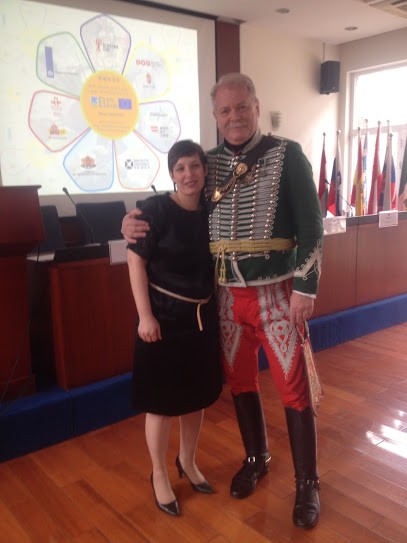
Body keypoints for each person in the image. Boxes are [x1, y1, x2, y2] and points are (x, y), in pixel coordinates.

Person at [122, 73, 323, 530]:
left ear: (256, 105)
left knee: (294, 387)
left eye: (242, 107)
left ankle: (308, 482)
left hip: (276, 293)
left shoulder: (288, 154)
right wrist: (129, 223)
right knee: (240, 383)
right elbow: (177, 204)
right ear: (216, 116)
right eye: (225, 110)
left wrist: (306, 288)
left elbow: (311, 226)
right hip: (226, 300)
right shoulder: (208, 163)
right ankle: (256, 458)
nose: (235, 117)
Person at [127, 139, 222, 517]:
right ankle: (159, 473)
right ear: (171, 174)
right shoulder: (154, 210)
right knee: (162, 404)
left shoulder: (212, 210)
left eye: (194, 166)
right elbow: (135, 262)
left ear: (204, 170)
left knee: (195, 397)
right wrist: (144, 316)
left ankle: (188, 460)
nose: (188, 174)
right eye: (180, 168)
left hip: (201, 320)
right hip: (162, 322)